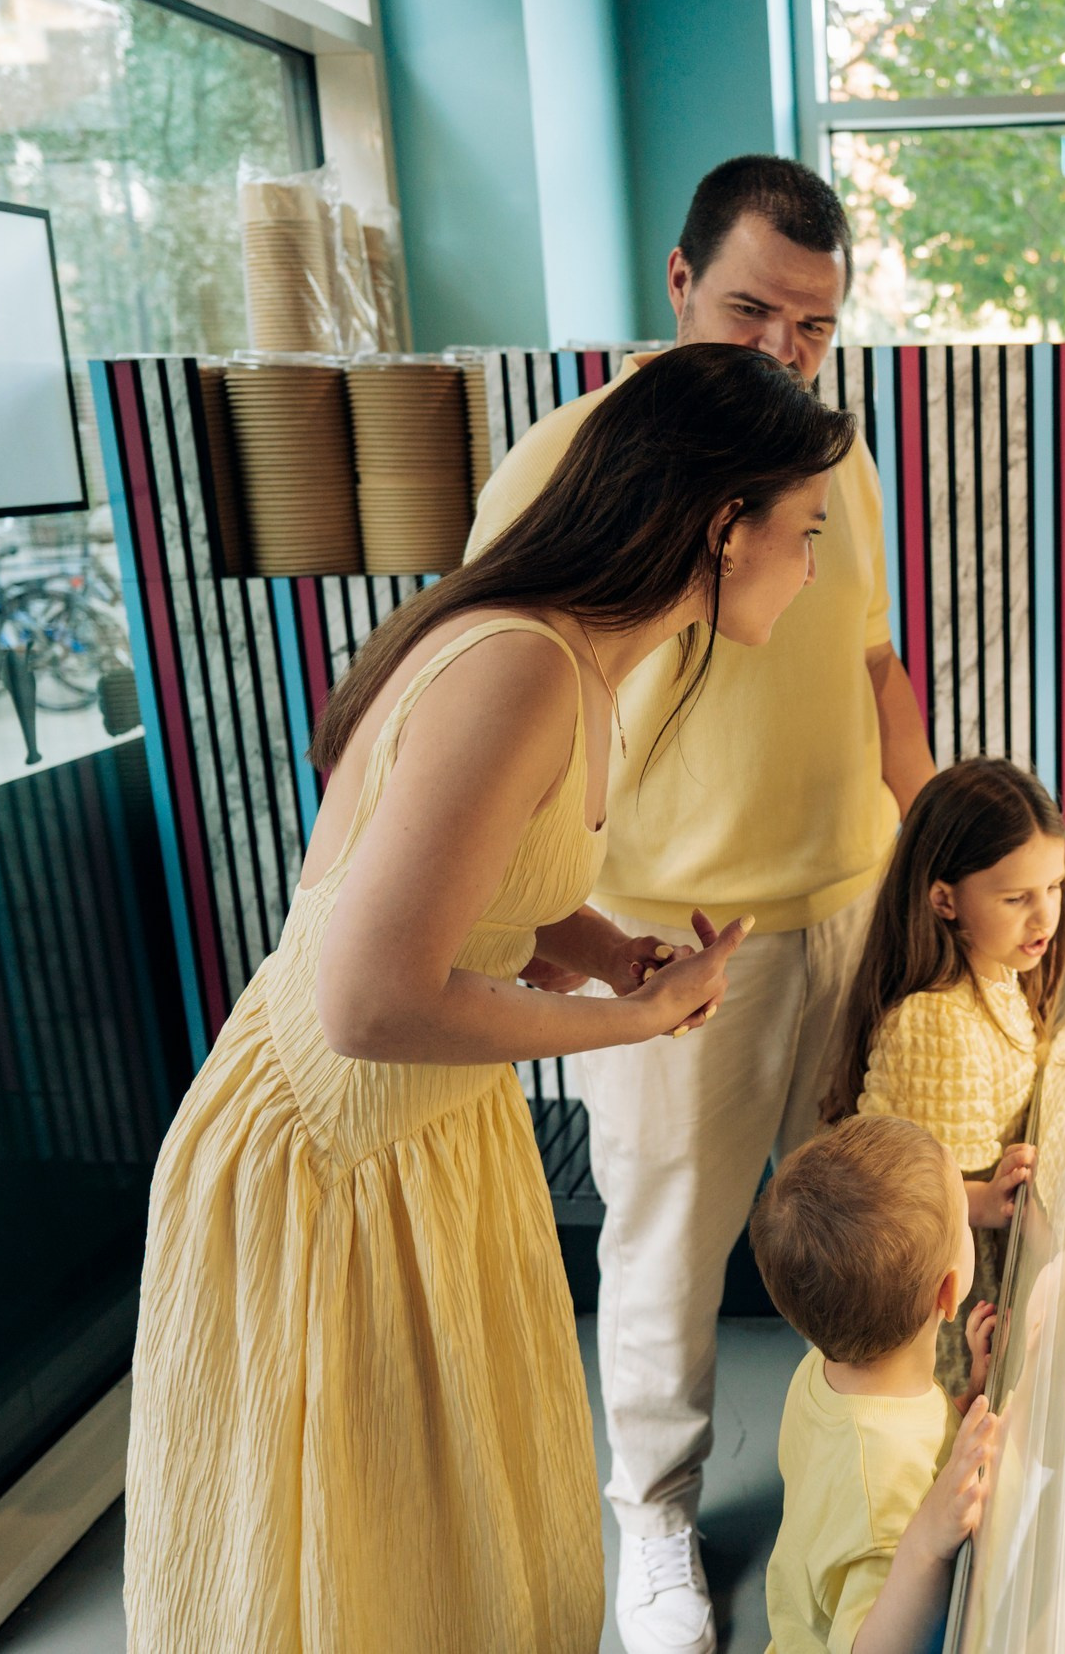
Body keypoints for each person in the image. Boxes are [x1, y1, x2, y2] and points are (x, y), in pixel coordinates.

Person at [123, 344, 856, 1653]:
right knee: (363, 1569)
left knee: (449, 1545)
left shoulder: (577, 654)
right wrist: (632, 1017)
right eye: (801, 533)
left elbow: (464, 872)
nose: (811, 570)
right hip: (331, 1151)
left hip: (423, 1137)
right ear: (720, 524)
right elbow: (365, 999)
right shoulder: (519, 660)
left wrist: (600, 941)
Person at [467, 155, 933, 1654]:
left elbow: (871, 662)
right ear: (676, 286)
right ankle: (656, 1513)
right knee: (667, 1239)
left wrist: (923, 845)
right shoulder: (563, 463)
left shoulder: (835, 460)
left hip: (847, 902)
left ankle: (856, 1472)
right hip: (665, 936)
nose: (784, 353)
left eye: (815, 325)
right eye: (752, 310)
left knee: (861, 1226)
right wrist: (592, 949)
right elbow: (510, 722)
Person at [823, 759, 1065, 1401]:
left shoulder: (999, 969)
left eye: (1054, 886)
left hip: (974, 1269)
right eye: (1016, 898)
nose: (1044, 917)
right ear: (944, 899)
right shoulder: (938, 1023)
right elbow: (894, 1193)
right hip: (937, 1299)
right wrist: (983, 1201)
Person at [748, 1115, 1004, 1654]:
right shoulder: (881, 1497)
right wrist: (926, 1544)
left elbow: (905, 1447)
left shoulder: (822, 1374)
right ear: (950, 1291)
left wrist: (969, 1395)